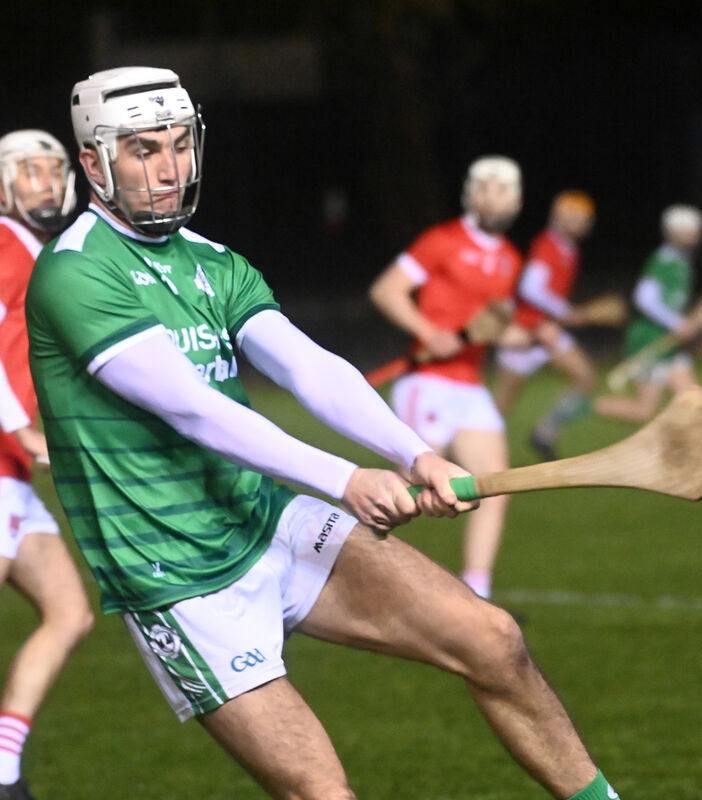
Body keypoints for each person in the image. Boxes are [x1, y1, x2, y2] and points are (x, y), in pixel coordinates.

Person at [28, 67, 619, 800]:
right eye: (144, 150)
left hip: (263, 519)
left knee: (494, 641)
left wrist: (413, 452)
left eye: (180, 145)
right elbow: (192, 409)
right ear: (93, 163)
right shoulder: (74, 274)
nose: (170, 169)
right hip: (174, 577)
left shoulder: (214, 263)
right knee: (322, 794)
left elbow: (312, 368)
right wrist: (345, 477)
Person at [369, 156, 530, 601]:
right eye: (484, 187)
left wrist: (518, 336)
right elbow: (387, 290)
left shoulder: (510, 260)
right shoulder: (443, 241)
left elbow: (490, 325)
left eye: (502, 189)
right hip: (427, 381)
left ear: (515, 200)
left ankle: (477, 596)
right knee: (408, 493)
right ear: (471, 194)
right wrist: (427, 332)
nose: (491, 196)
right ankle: (350, 574)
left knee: (495, 486)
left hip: (469, 385)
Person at [0, 129, 94, 800]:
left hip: (11, 477)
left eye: (56, 168)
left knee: (69, 612)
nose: (47, 180)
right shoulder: (4, 245)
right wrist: (19, 429)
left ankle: (3, 770)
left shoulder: (43, 254)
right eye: (31, 169)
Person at [490, 190, 599, 460]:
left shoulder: (569, 248)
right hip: (525, 332)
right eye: (571, 217)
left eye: (582, 218)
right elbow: (530, 287)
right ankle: (457, 452)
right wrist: (565, 311)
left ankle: (544, 433)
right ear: (557, 216)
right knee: (500, 407)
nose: (577, 223)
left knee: (585, 377)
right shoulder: (548, 244)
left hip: (547, 330)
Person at [586, 204, 702, 424]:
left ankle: (697, 451)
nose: (695, 235)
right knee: (643, 411)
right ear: (673, 232)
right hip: (649, 340)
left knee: (695, 400)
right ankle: (584, 407)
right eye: (689, 230)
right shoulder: (663, 261)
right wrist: (677, 323)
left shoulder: (682, 262)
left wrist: (683, 324)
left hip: (671, 344)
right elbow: (644, 298)